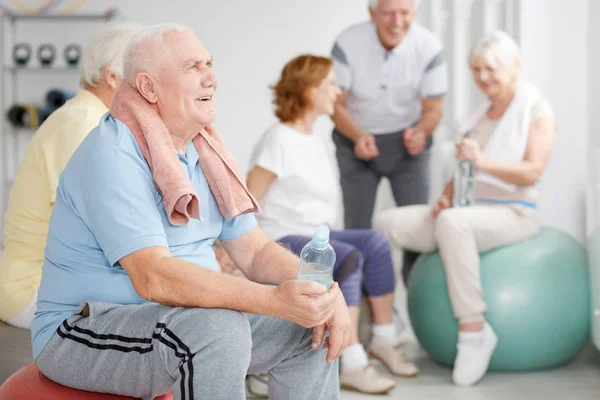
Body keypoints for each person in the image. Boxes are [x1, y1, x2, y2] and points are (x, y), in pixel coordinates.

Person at [31, 23, 350, 400]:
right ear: (149, 88)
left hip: (177, 323)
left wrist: (325, 293)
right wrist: (271, 300)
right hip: (81, 331)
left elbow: (255, 251)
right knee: (218, 328)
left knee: (306, 329)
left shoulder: (205, 153)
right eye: (192, 67)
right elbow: (154, 278)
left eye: (209, 64)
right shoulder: (112, 153)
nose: (211, 78)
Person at [373, 31, 556, 387]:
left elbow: (532, 169)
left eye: (491, 68)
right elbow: (463, 171)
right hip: (467, 211)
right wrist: (443, 197)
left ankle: (474, 330)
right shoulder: (478, 115)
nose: (482, 76)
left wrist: (481, 161)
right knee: (386, 222)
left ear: (514, 66)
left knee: (454, 224)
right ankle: (385, 330)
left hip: (514, 214)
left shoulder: (536, 110)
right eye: (476, 69)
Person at [247, 55, 418, 395]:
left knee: (375, 242)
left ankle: (384, 339)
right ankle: (351, 360)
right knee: (348, 255)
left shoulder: (313, 139)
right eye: (331, 84)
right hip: (281, 237)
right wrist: (232, 248)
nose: (338, 92)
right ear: (309, 90)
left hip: (314, 234)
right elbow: (248, 197)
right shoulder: (278, 138)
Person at [0, 23, 143, 330]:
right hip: (32, 289)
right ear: (113, 76)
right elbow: (105, 225)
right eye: (141, 77)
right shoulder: (79, 125)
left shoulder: (95, 122)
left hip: (61, 280)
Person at [330, 0, 448, 279]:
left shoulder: (429, 47)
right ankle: (356, 310)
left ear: (414, 14)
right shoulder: (348, 43)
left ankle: (415, 304)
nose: (397, 21)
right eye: (388, 13)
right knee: (356, 229)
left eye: (405, 12)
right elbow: (335, 105)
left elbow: (434, 109)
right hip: (355, 139)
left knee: (417, 229)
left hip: (408, 143)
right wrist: (358, 135)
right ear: (372, 13)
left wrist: (422, 131)